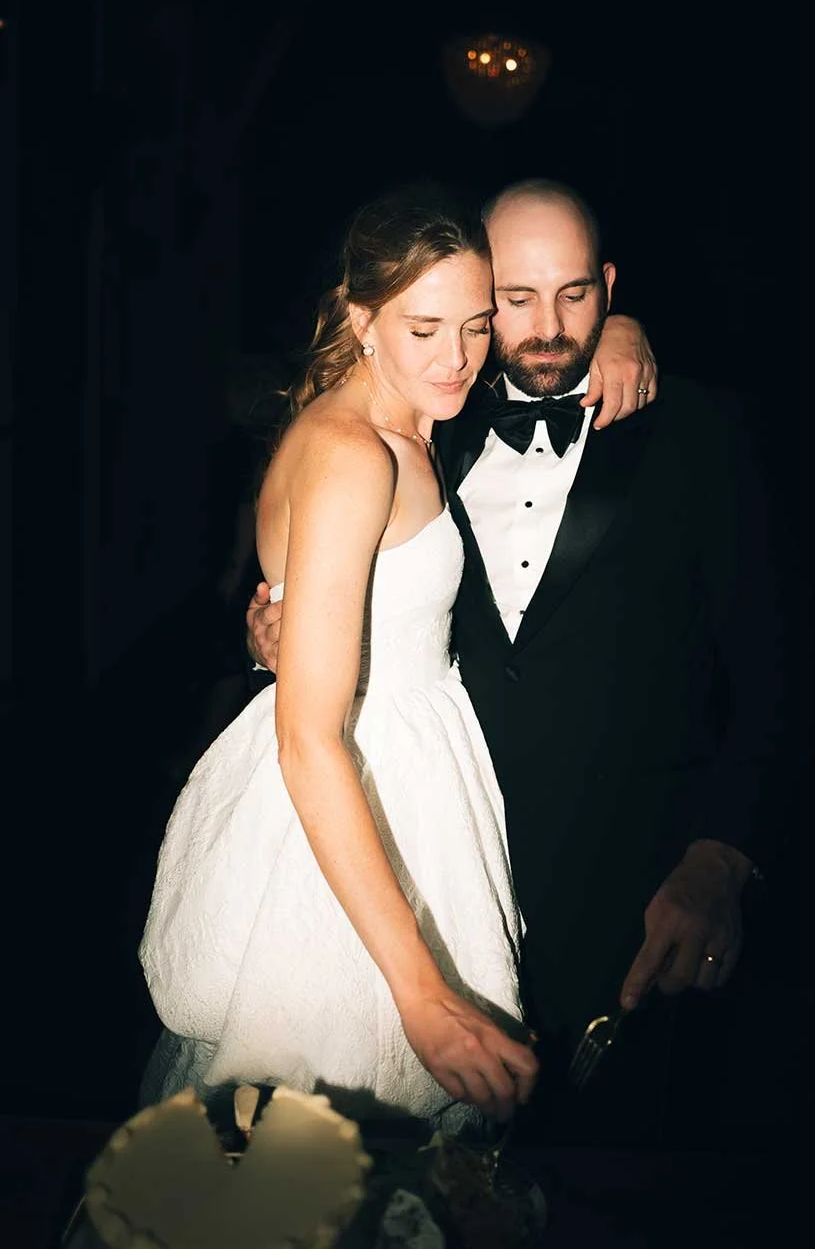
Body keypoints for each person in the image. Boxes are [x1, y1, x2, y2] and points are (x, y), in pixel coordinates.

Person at [249, 178, 792, 1146]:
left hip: (637, 907)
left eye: (575, 295)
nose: (545, 328)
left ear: (610, 289)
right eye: (515, 299)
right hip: (426, 871)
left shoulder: (705, 432)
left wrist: (720, 857)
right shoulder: (430, 414)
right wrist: (280, 636)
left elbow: (779, 671)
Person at [137, 181, 541, 1134]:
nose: (457, 358)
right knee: (315, 1141)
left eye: (476, 325)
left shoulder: (399, 413)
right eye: (424, 328)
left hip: (406, 770)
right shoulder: (356, 452)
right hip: (345, 797)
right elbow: (310, 739)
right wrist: (421, 993)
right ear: (361, 319)